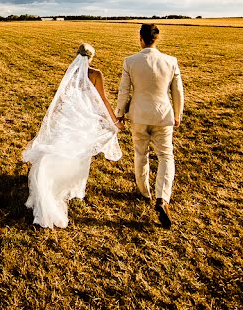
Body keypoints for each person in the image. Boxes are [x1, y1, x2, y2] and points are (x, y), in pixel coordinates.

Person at [22, 43, 122, 228]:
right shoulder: (96, 74)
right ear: (91, 58)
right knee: (80, 154)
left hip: (68, 116)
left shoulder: (71, 71)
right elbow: (102, 99)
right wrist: (115, 121)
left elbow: (62, 96)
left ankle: (54, 181)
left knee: (62, 148)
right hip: (84, 120)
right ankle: (72, 186)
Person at [115, 24, 184, 229]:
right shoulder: (171, 61)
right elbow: (178, 91)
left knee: (140, 153)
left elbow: (124, 91)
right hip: (163, 115)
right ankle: (162, 198)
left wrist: (120, 114)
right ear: (157, 39)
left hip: (138, 115)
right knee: (165, 155)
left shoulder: (130, 61)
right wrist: (178, 114)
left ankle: (145, 191)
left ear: (140, 38)